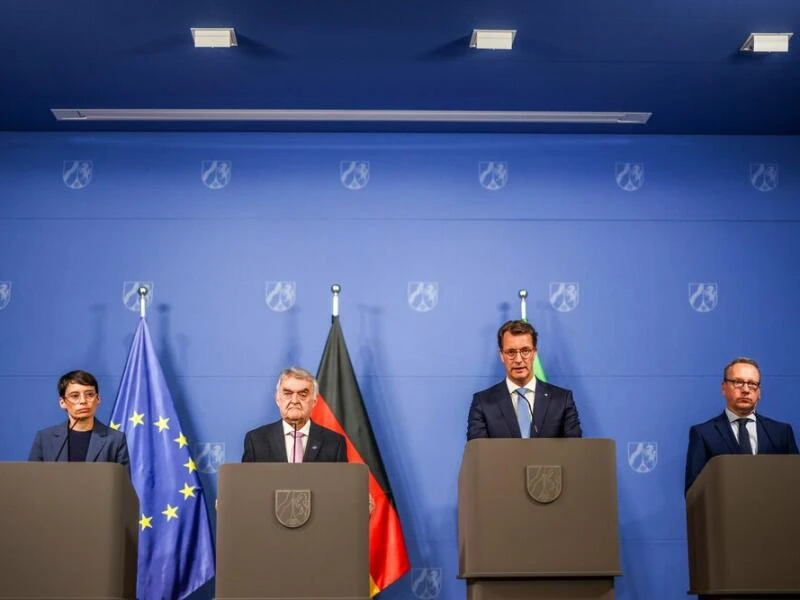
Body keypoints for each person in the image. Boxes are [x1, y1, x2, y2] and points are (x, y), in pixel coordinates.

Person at [685, 357, 798, 493]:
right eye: (738, 382)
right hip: (726, 512)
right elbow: (694, 492)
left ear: (759, 392)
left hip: (773, 511)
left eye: (752, 384)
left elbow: (795, 482)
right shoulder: (703, 433)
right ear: (723, 387)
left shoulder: (781, 432)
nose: (746, 389)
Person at [467, 320, 582, 440]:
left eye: (525, 351)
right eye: (511, 352)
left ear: (534, 353)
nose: (518, 359)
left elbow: (573, 451)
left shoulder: (562, 400)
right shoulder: (482, 403)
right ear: (501, 355)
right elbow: (478, 454)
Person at [242, 367, 348, 462]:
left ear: (314, 401)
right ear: (277, 399)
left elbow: (342, 483)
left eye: (302, 394)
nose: (294, 400)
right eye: (288, 393)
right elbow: (247, 482)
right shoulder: (256, 440)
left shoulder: (335, 442)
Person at [29, 370, 130, 466]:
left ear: (98, 399)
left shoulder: (115, 439)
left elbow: (121, 483)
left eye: (90, 395)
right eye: (75, 396)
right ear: (62, 402)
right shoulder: (45, 439)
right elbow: (32, 480)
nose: (83, 401)